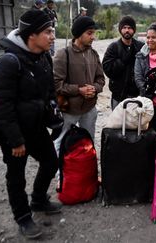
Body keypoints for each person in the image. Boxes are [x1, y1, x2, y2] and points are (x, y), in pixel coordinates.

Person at [0, 9, 61, 239]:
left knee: (51, 162)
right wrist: (15, 140)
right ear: (32, 34)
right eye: (48, 31)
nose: (52, 36)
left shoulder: (44, 58)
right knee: (16, 177)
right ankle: (23, 218)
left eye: (53, 31)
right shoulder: (7, 63)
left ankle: (39, 200)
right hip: (15, 133)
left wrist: (54, 119)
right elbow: (2, 107)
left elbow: (48, 92)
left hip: (37, 128)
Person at [53, 16, 105, 153]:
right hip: (69, 110)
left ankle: (87, 173)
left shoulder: (93, 54)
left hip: (89, 108)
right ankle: (61, 174)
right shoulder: (63, 54)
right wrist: (79, 90)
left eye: (94, 33)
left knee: (88, 143)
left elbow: (101, 79)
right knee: (61, 143)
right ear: (78, 34)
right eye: (89, 33)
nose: (93, 37)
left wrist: (95, 88)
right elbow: (57, 85)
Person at [102, 16, 144, 110]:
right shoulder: (113, 47)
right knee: (117, 124)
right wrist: (123, 60)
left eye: (129, 28)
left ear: (134, 30)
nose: (127, 30)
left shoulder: (140, 47)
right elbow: (107, 68)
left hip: (137, 95)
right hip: (118, 95)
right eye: (124, 28)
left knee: (135, 123)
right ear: (120, 29)